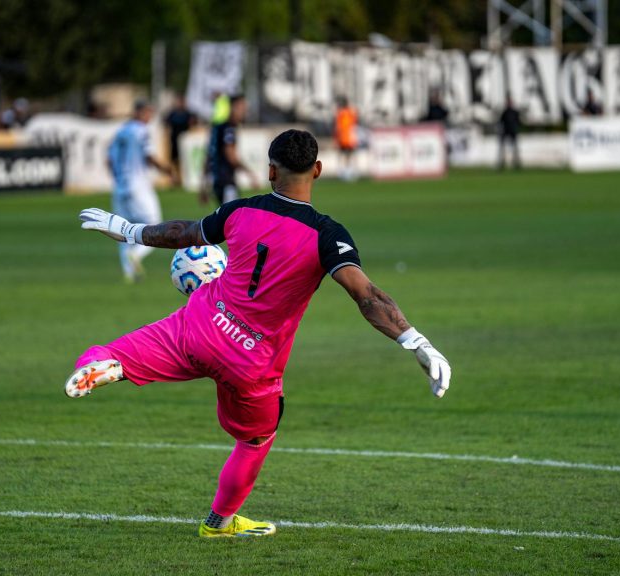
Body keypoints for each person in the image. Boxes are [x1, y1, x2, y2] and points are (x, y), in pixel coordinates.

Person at [71, 129, 452, 538]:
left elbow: (185, 232)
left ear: (271, 171)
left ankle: (103, 367)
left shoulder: (241, 210)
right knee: (256, 439)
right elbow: (367, 296)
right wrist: (416, 341)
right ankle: (219, 522)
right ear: (318, 170)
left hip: (198, 326)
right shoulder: (328, 235)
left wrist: (130, 231)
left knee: (112, 353)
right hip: (251, 362)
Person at [106, 99, 173, 283]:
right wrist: (167, 170)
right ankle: (136, 254)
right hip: (139, 186)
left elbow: (109, 160)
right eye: (148, 112)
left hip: (120, 188)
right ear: (139, 112)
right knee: (155, 225)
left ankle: (129, 274)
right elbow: (149, 156)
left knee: (122, 229)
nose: (150, 117)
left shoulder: (120, 132)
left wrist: (120, 177)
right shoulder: (141, 131)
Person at [204, 94, 256, 206]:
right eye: (243, 108)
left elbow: (209, 155)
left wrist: (204, 184)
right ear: (234, 107)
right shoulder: (229, 129)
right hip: (226, 181)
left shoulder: (217, 127)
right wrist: (249, 173)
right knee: (232, 218)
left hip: (217, 180)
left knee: (226, 218)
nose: (244, 112)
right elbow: (230, 156)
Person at [163, 95, 195, 187]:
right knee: (174, 161)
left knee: (183, 160)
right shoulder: (173, 113)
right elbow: (166, 122)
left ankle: (183, 179)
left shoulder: (187, 113)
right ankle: (173, 180)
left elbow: (193, 123)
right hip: (174, 140)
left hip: (185, 142)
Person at [334, 96, 358, 181]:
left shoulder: (342, 113)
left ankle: (345, 172)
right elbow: (353, 125)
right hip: (348, 138)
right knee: (348, 155)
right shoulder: (350, 113)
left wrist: (336, 138)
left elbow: (338, 127)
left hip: (345, 138)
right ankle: (348, 172)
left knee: (344, 155)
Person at [498, 98, 521, 171]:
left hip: (513, 132)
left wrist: (516, 129)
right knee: (502, 149)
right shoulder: (504, 112)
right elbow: (501, 122)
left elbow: (518, 122)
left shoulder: (515, 112)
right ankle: (502, 163)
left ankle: (516, 164)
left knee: (515, 149)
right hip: (505, 132)